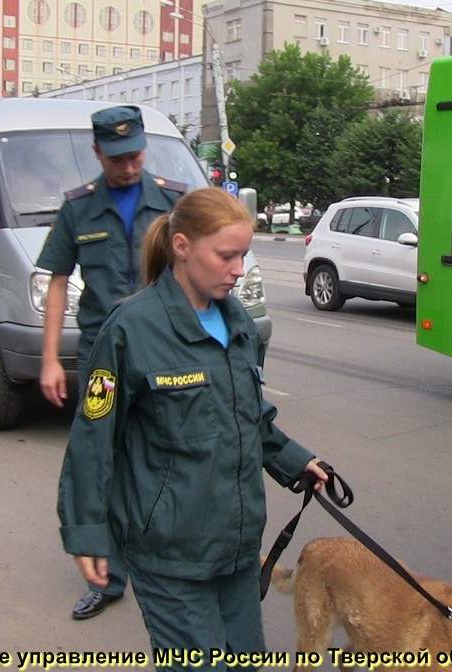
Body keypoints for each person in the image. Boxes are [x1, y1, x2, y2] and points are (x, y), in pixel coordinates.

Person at [57, 187, 329, 669]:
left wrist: (294, 460)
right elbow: (93, 439)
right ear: (181, 247)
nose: (239, 269)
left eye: (244, 254)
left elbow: (246, 414)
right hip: (169, 553)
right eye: (226, 255)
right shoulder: (130, 329)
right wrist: (86, 531)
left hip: (237, 547)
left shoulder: (239, 322)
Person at [36, 105, 188, 620]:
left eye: (136, 154)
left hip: (163, 351)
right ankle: (109, 577)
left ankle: (172, 559)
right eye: (118, 157)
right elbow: (57, 280)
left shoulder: (172, 201)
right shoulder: (77, 210)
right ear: (98, 153)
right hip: (102, 357)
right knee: (103, 459)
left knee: (170, 452)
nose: (129, 165)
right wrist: (50, 359)